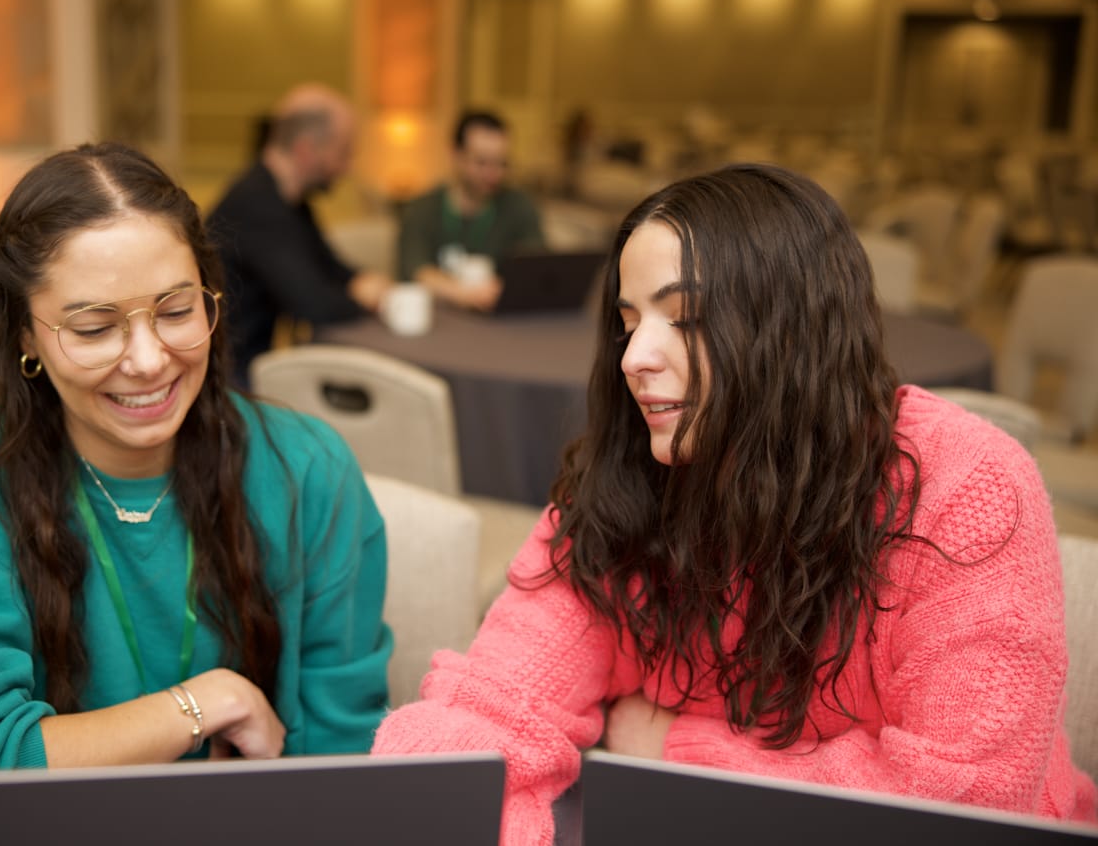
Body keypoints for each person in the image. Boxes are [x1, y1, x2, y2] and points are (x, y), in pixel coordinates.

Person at [372, 164, 1096, 843]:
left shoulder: (963, 485)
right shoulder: (624, 482)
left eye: (682, 318)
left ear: (792, 328)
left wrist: (674, 747)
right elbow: (490, 713)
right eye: (628, 322)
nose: (632, 358)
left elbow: (962, 808)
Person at [0, 142, 392, 773]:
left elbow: (344, 760)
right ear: (25, 334)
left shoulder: (307, 472)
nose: (148, 360)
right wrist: (197, 705)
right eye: (93, 328)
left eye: (176, 310)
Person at [206, 84, 393, 387]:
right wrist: (366, 301)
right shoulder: (258, 206)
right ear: (306, 150)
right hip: (227, 380)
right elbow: (313, 305)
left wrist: (363, 280)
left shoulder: (291, 202)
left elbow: (330, 266)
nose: (346, 167)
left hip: (251, 363)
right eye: (343, 153)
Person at [397, 110, 545, 311]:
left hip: (502, 321)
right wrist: (464, 293)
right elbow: (416, 270)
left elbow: (537, 265)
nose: (493, 174)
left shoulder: (519, 206)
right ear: (456, 155)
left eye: (501, 163)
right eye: (481, 162)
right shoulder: (422, 209)